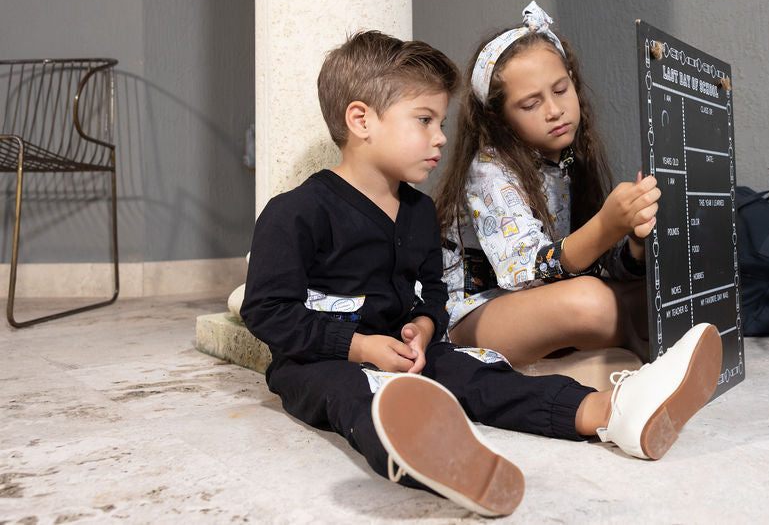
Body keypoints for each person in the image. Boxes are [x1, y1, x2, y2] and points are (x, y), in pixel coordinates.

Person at [241, 30, 723, 518]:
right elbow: (266, 310)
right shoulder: (295, 212)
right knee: (353, 395)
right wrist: (359, 348)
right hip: (319, 361)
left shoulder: (418, 211)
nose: (441, 137)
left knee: (482, 378)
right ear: (361, 120)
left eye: (442, 121)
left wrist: (425, 327)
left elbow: (431, 291)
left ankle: (610, 412)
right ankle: (438, 457)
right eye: (425, 121)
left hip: (410, 353)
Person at [434, 1, 660, 367]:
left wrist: (634, 239)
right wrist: (605, 225)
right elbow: (530, 276)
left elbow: (594, 264)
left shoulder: (566, 161)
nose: (554, 110)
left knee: (652, 290)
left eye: (560, 90)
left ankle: (608, 349)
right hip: (470, 315)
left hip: (540, 304)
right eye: (530, 104)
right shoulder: (488, 169)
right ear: (499, 118)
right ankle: (630, 349)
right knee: (590, 302)